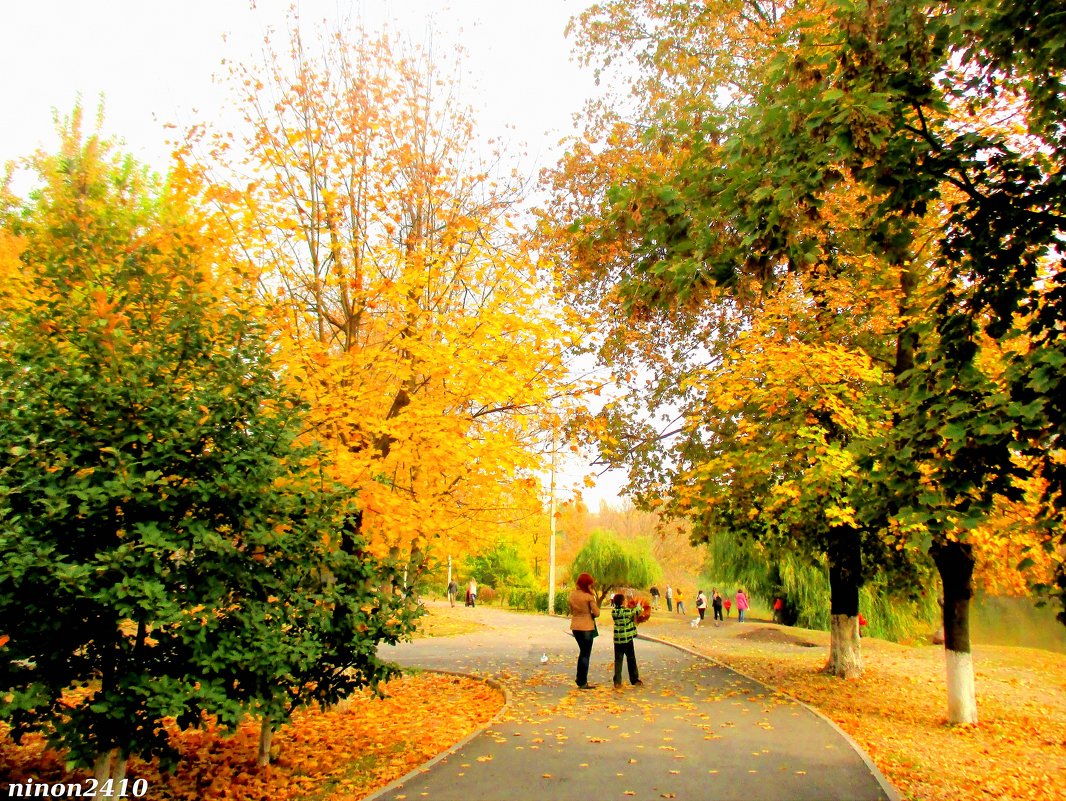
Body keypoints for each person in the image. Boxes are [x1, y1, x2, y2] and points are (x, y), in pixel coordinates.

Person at [569, 573, 601, 689]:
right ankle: (582, 681)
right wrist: (590, 613)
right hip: (587, 627)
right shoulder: (589, 596)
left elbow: (571, 610)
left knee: (582, 652)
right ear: (587, 584)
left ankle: (580, 678)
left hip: (575, 627)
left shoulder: (572, 595)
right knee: (585, 654)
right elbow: (597, 613)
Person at [611, 593, 643, 688]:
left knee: (618, 660)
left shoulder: (614, 612)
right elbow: (637, 611)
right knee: (631, 659)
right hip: (627, 639)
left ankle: (617, 681)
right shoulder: (626, 612)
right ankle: (634, 679)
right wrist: (639, 604)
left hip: (618, 640)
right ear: (622, 602)